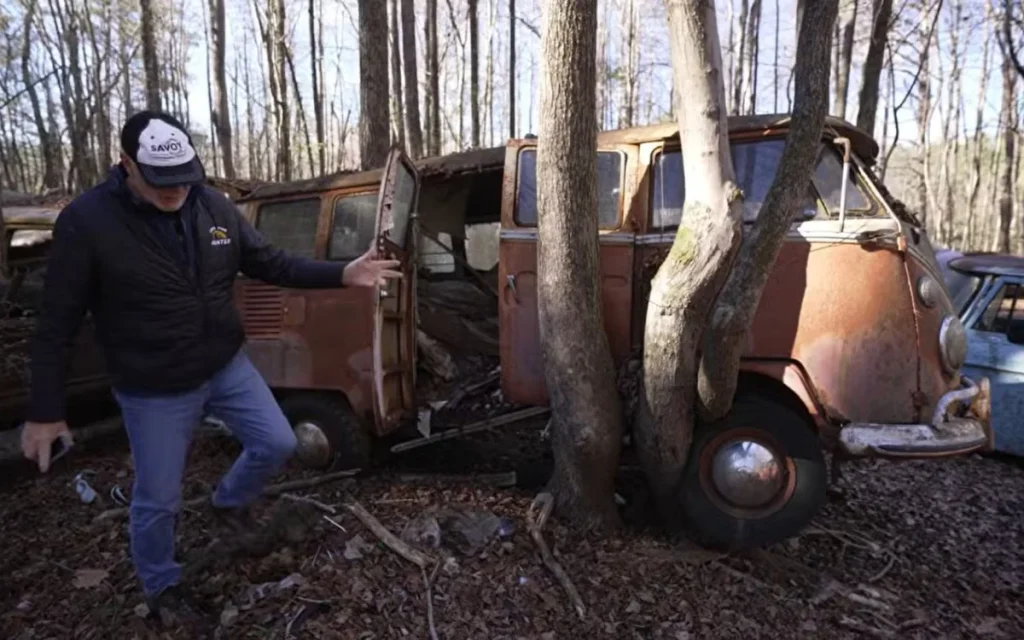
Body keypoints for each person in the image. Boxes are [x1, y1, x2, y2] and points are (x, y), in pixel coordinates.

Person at [19, 110, 401, 627]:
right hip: (152, 384)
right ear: (126, 165)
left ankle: (227, 502)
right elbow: (56, 323)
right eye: (162, 183)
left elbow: (272, 263)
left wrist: (343, 272)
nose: (176, 192)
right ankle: (162, 584)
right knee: (158, 498)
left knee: (279, 442)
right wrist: (45, 409)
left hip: (224, 364)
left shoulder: (214, 206)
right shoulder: (89, 223)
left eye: (184, 179)